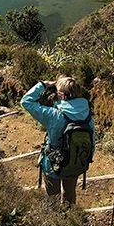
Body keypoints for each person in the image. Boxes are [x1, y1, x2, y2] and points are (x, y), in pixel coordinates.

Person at [21, 76, 95, 205]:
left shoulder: (53, 115)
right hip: (75, 162)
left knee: (52, 198)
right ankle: (71, 219)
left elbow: (26, 101)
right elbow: (92, 143)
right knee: (70, 193)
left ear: (61, 94)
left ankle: (56, 222)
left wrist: (43, 85)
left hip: (53, 164)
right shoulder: (87, 115)